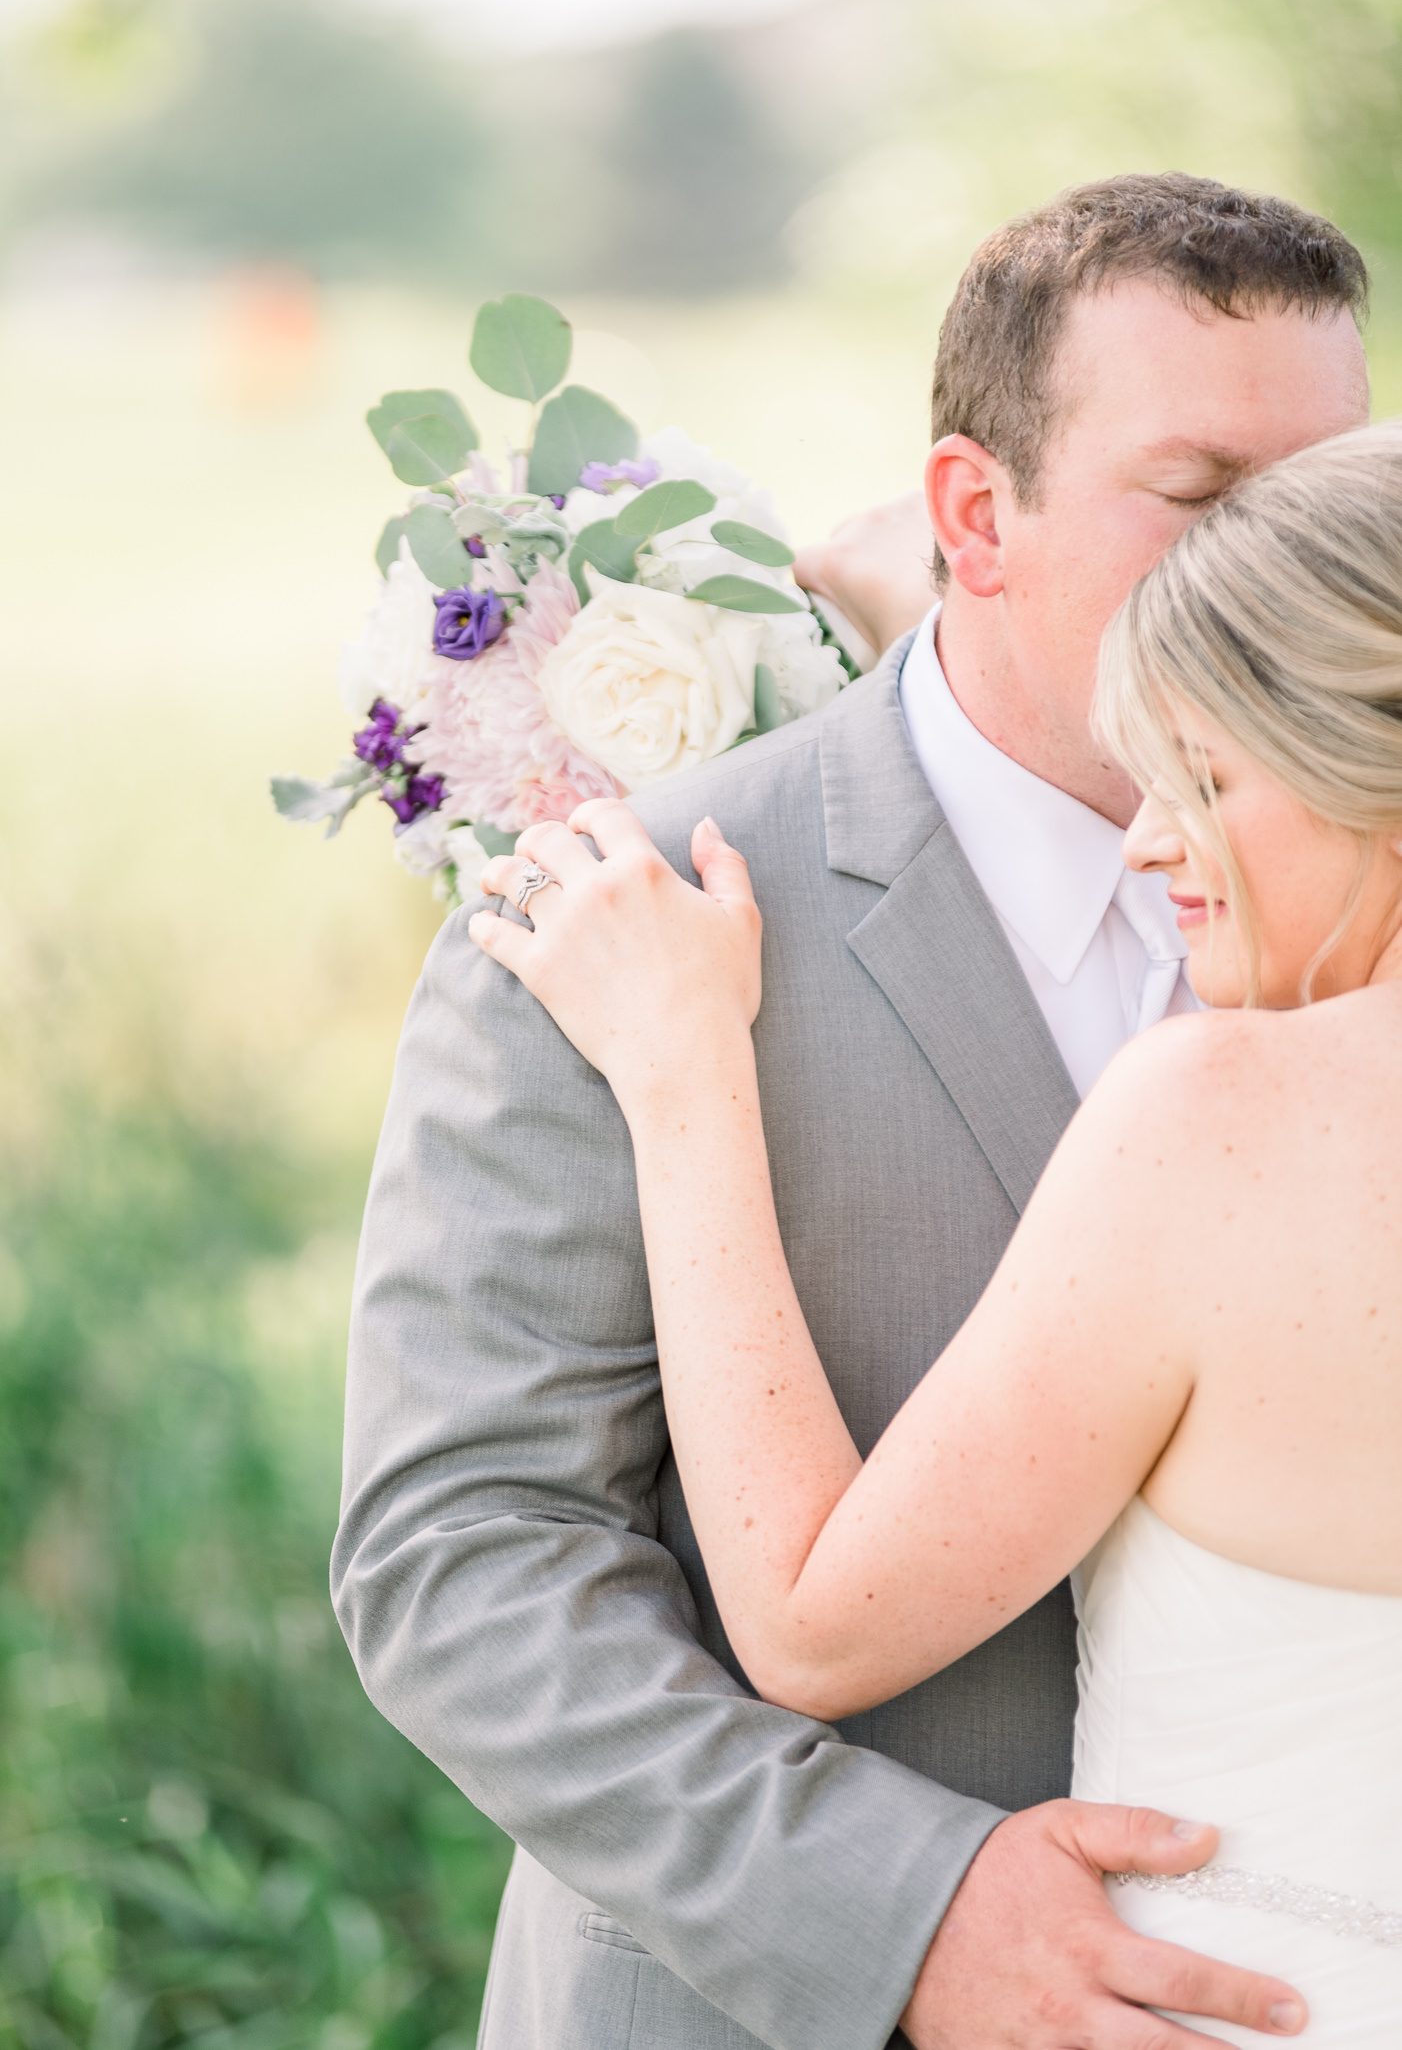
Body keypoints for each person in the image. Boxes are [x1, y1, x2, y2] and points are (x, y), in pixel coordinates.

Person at [332, 174, 1369, 2050]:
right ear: (977, 515)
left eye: (1321, 511)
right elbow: (464, 1562)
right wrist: (901, 1914)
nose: (1273, 579)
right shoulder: (620, 919)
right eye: (1207, 504)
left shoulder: (1355, 935)